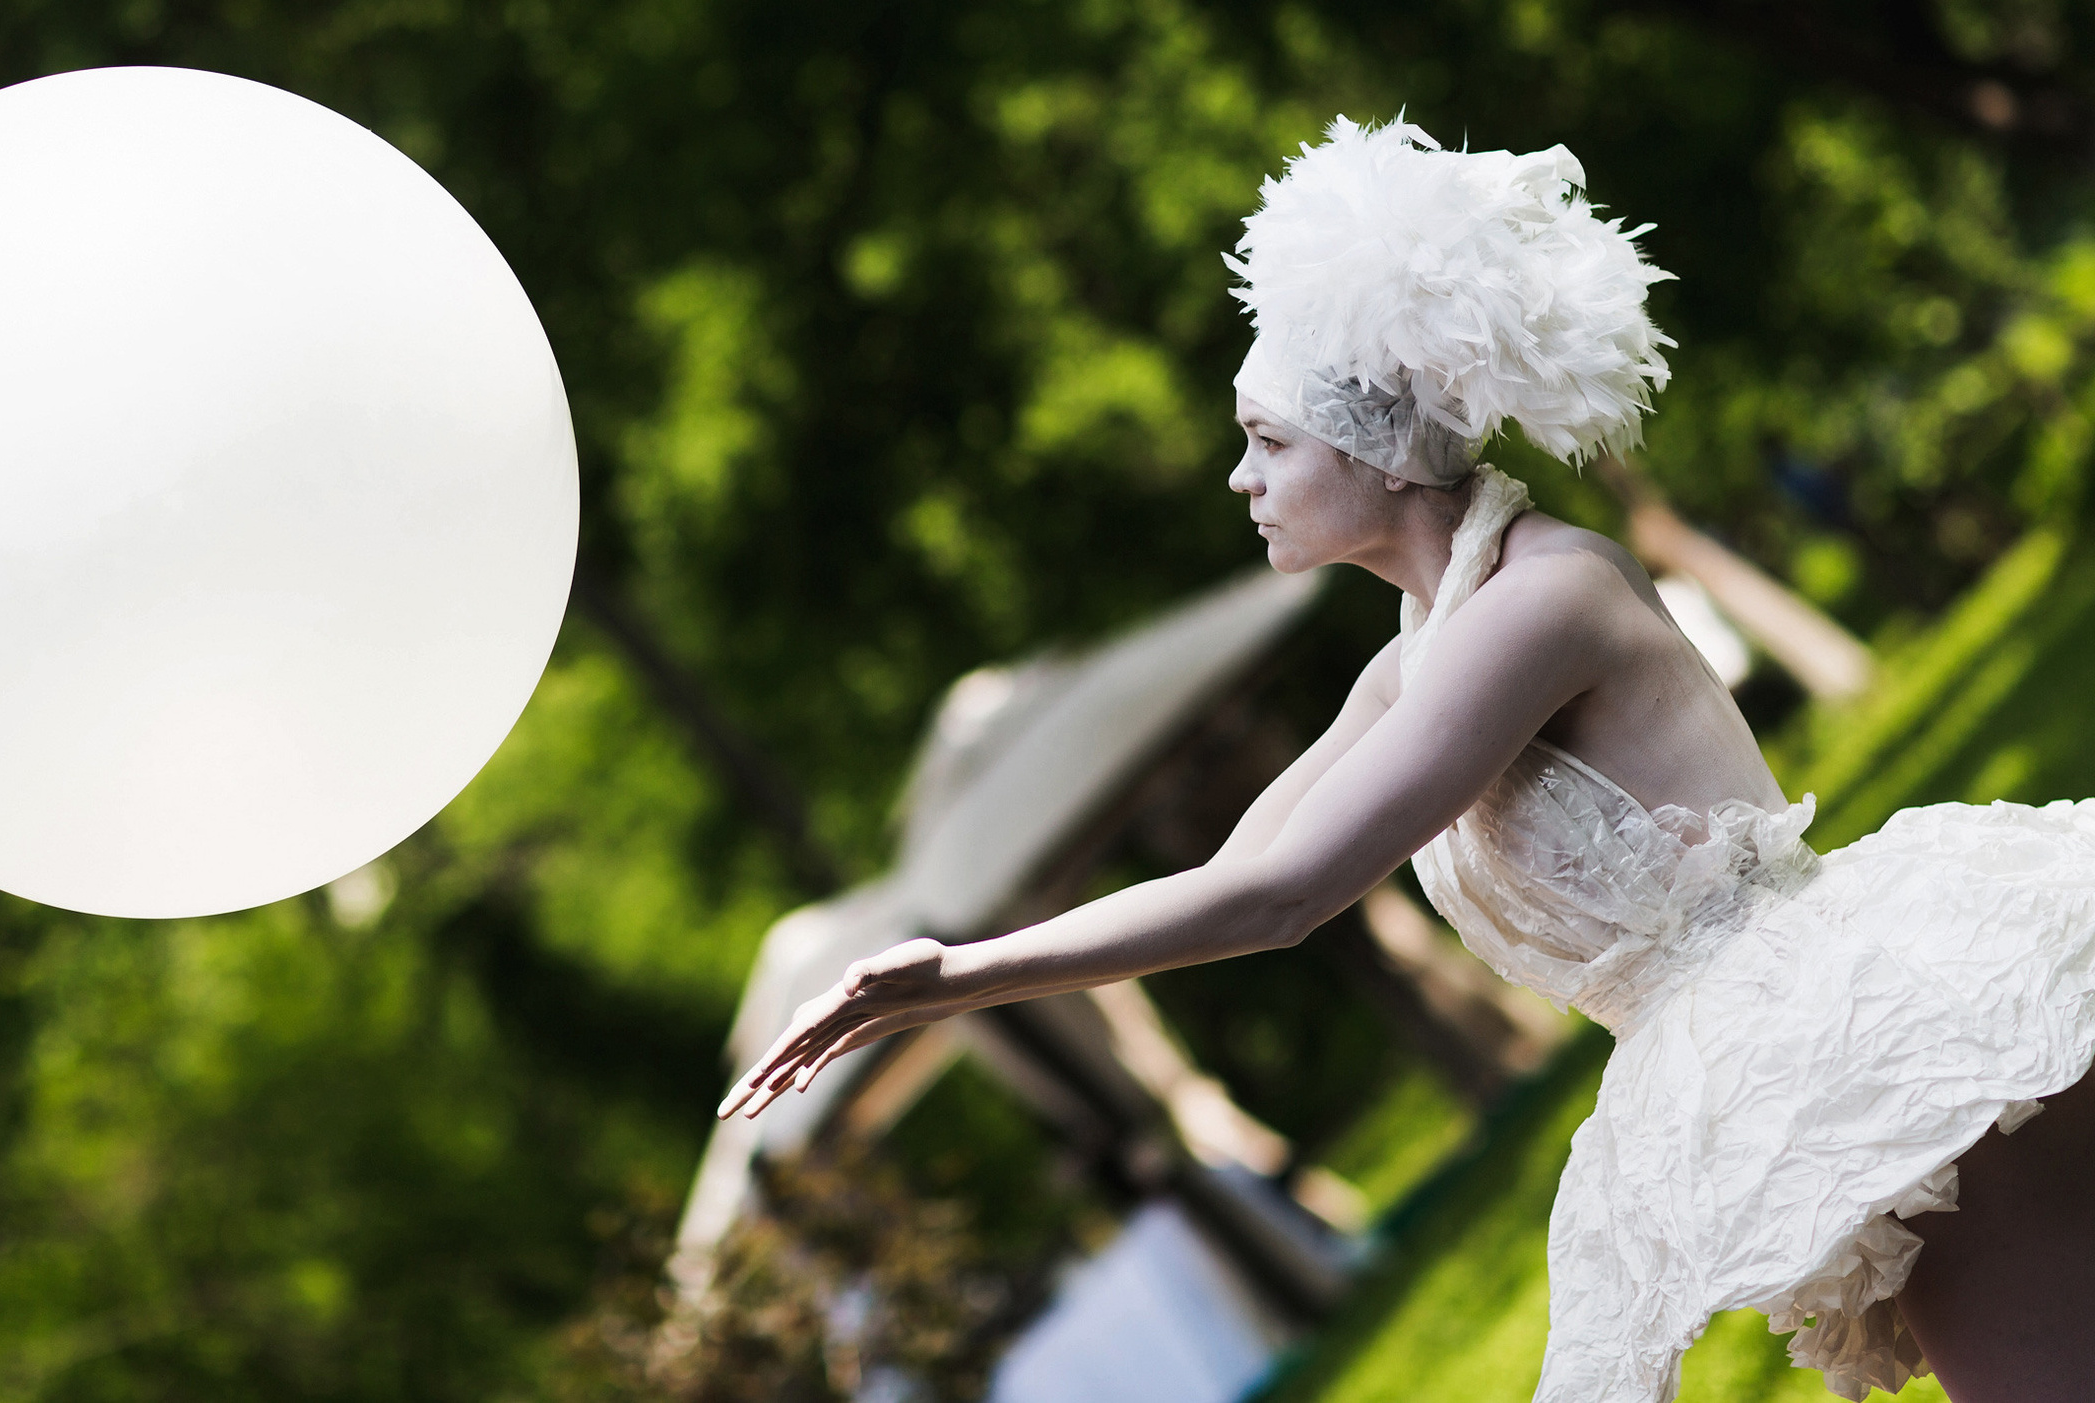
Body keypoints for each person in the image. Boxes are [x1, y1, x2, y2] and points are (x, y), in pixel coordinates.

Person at [718, 118, 2095, 1403]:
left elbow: (1289, 898)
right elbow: (1236, 867)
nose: (1242, 480)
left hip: (1853, 1026)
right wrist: (958, 961)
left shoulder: (1537, 609)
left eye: (1268, 444)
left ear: (1380, 456)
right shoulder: (1414, 657)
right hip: (1759, 1051)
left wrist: (954, 982)